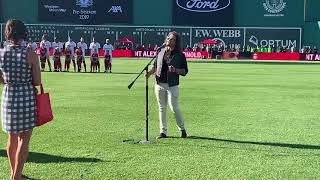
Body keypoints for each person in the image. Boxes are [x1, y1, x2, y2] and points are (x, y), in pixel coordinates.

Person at [0, 19, 41, 180]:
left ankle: (14, 173)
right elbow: (37, 81)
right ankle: (16, 177)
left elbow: (1, 79)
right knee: (24, 138)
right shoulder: (30, 53)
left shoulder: (2, 52)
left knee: (11, 137)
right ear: (24, 32)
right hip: (26, 97)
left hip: (8, 97)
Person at [145, 31, 188, 139]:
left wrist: (176, 70)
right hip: (159, 84)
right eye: (168, 38)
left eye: (172, 39)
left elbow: (185, 71)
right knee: (162, 108)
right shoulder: (160, 52)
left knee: (174, 108)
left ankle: (182, 129)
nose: (169, 40)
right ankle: (163, 132)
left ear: (176, 42)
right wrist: (149, 73)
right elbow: (155, 67)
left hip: (172, 85)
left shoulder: (180, 55)